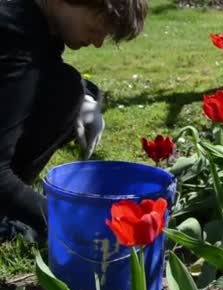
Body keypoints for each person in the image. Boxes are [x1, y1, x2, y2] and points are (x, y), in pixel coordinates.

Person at [0, 0, 148, 240]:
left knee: (65, 88)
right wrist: (69, 222)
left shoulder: (36, 24)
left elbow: (44, 74)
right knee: (64, 90)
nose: (99, 42)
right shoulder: (14, 36)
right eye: (95, 27)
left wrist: (86, 97)